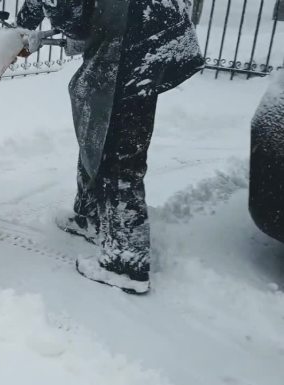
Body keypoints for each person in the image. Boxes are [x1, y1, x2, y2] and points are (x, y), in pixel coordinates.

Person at [16, 0, 204, 294]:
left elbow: (74, 18)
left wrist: (40, 21)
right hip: (143, 24)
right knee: (98, 125)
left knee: (117, 148)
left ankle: (126, 264)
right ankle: (90, 216)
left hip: (138, 35)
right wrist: (25, 23)